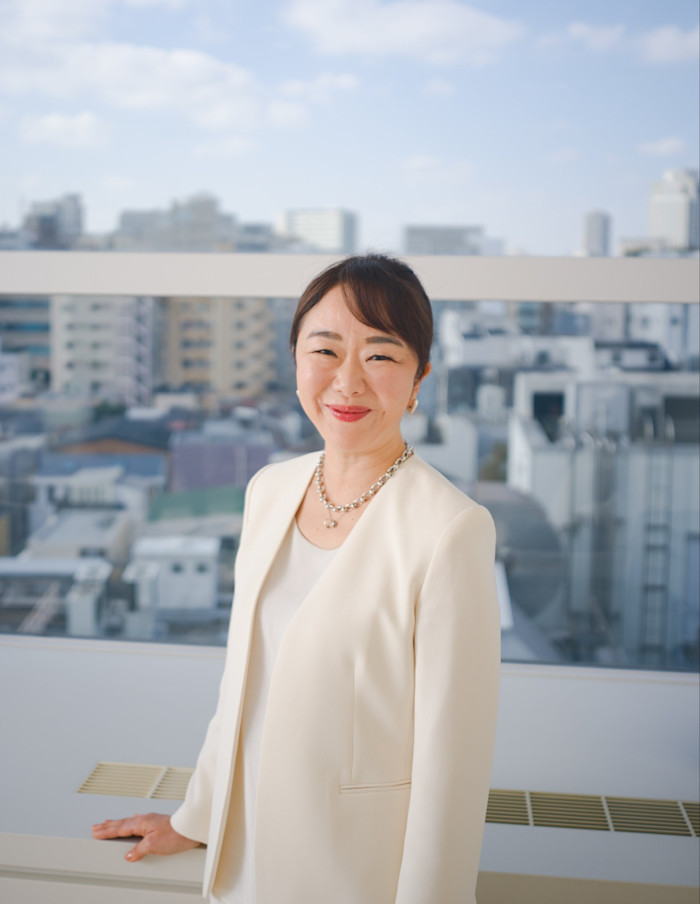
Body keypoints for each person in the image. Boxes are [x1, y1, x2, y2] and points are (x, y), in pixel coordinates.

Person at [92, 254, 501, 904]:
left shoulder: (451, 529)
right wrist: (193, 821)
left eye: (381, 356)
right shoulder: (271, 489)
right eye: (325, 350)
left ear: (420, 377)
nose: (347, 381)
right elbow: (242, 692)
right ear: (295, 362)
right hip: (243, 862)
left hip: (348, 874)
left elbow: (453, 764)